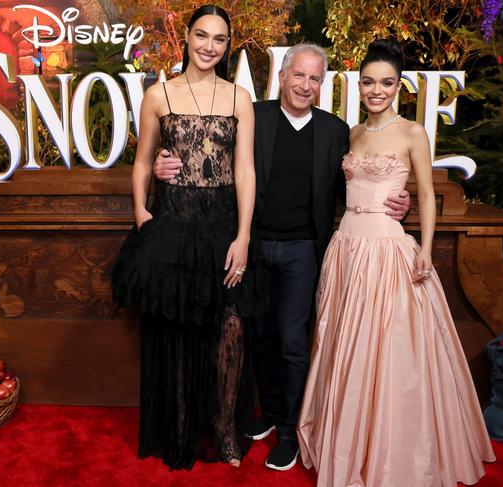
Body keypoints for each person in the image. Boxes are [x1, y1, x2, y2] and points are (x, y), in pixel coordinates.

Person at [153, 43, 411, 471]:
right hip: (252, 245)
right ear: (282, 77)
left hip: (303, 250)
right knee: (261, 336)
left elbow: (364, 174)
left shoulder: (335, 130)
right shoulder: (255, 115)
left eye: (314, 78)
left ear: (321, 84)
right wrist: (164, 160)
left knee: (292, 339)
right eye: (299, 75)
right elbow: (212, 153)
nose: (305, 85)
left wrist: (401, 202)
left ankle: (290, 430)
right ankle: (271, 414)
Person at [296, 38, 496, 486]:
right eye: (368, 82)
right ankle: (347, 443)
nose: (376, 90)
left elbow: (425, 195)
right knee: (344, 347)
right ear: (359, 85)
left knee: (388, 352)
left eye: (385, 83)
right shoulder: (352, 132)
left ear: (399, 86)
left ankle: (389, 451)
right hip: (346, 246)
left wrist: (424, 248)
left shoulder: (412, 133)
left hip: (387, 249)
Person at [111, 5, 259, 470]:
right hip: (172, 224)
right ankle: (178, 428)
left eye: (219, 39)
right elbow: (142, 162)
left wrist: (244, 236)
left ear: (227, 45)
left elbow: (245, 170)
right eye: (201, 35)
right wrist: (141, 212)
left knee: (230, 324)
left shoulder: (239, 98)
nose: (209, 46)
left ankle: (225, 428)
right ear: (188, 38)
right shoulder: (159, 95)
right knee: (175, 327)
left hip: (221, 227)